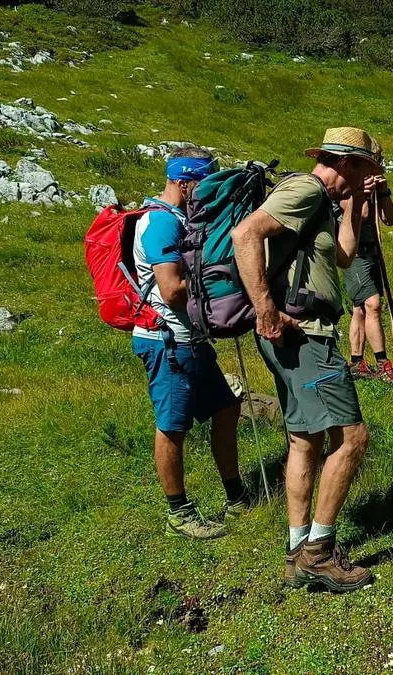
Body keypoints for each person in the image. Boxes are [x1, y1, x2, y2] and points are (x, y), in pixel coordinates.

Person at [231, 127, 381, 593]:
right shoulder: (305, 190)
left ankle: (298, 552)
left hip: (296, 334)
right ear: (346, 163)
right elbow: (245, 234)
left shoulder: (325, 201)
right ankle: (319, 554)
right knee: (352, 438)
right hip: (305, 336)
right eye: (366, 168)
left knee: (304, 440)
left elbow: (344, 256)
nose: (369, 175)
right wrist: (265, 310)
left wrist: (357, 202)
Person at [131, 147, 249, 540]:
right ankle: (178, 513)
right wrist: (218, 289)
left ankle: (236, 496)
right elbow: (172, 291)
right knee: (172, 426)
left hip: (191, 341)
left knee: (227, 407)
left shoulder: (183, 219)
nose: (210, 190)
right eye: (205, 182)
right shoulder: (161, 223)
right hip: (168, 343)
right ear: (184, 183)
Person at [344, 141, 393, 386]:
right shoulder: (348, 185)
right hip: (353, 253)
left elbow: (389, 218)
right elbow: (363, 214)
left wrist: (383, 191)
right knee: (373, 304)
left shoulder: (374, 185)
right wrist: (364, 192)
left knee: (360, 308)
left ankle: (357, 361)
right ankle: (382, 362)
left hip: (372, 252)